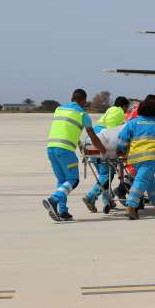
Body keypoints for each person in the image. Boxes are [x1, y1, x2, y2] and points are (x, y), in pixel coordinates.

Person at [43, 89, 107, 222]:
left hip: (51, 148)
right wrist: (103, 150)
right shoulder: (83, 114)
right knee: (73, 180)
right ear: (83, 100)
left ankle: (63, 212)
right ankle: (53, 200)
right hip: (65, 150)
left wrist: (80, 145)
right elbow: (93, 136)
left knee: (62, 181)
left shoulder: (59, 109)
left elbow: (67, 129)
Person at [116, 99, 155, 220]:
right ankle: (131, 206)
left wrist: (121, 149)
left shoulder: (133, 122)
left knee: (148, 180)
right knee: (141, 181)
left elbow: (122, 139)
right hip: (151, 157)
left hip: (135, 158)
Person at [82, 96, 129, 214]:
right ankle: (90, 196)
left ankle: (107, 201)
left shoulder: (109, 111)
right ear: (123, 106)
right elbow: (112, 132)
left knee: (104, 175)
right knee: (107, 176)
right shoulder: (117, 111)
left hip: (91, 144)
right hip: (100, 145)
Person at [115, 94, 155, 200]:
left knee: (144, 173)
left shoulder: (140, 110)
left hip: (135, 146)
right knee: (140, 172)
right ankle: (126, 192)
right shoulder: (142, 112)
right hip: (137, 147)